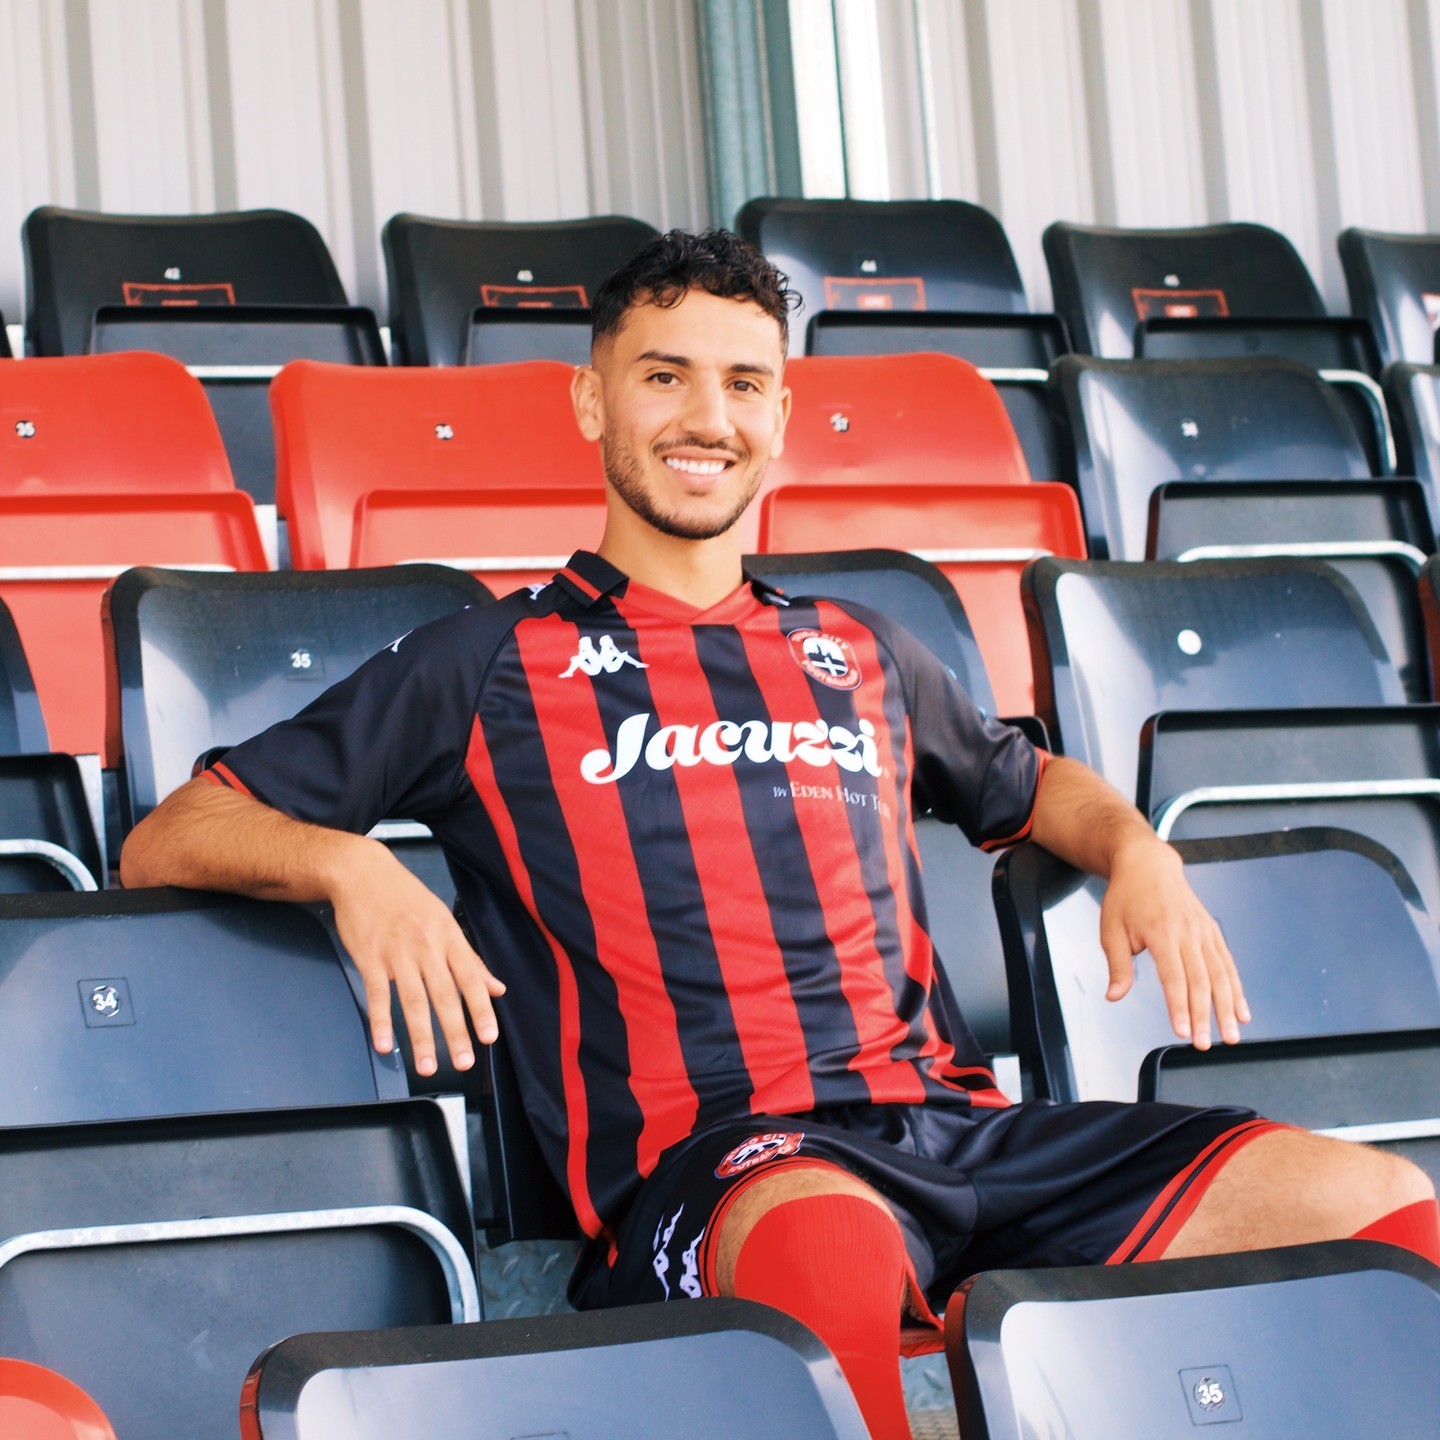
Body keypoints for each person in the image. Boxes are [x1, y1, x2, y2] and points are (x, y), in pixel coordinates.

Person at [122, 230, 1438, 1440]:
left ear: (782, 416)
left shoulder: (862, 649)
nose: (709, 417)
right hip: (723, 1171)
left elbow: (1035, 787)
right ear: (591, 403)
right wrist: (350, 863)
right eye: (666, 378)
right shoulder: (484, 664)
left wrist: (1138, 850)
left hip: (956, 1133)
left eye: (745, 384)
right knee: (830, 1244)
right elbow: (173, 834)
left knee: (1380, 1207)